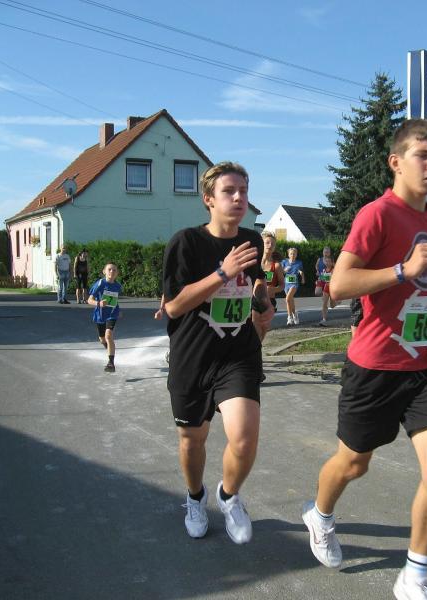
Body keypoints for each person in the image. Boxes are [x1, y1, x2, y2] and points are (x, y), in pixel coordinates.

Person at [301, 119, 427, 600]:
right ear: (396, 162)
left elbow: (422, 274)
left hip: (426, 364)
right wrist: (402, 270)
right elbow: (340, 284)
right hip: (375, 366)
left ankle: (415, 575)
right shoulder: (377, 215)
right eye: (422, 155)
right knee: (353, 464)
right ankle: (319, 515)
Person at [162, 161, 273, 544]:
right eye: (229, 191)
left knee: (244, 437)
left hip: (237, 354)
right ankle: (195, 498)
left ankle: (229, 495)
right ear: (209, 199)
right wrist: (222, 273)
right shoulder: (186, 243)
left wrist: (262, 303)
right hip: (192, 358)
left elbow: (256, 283)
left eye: (244, 191)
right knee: (192, 440)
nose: (239, 198)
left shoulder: (253, 241)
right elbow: (174, 306)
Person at [87, 263, 122, 373]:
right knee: (102, 339)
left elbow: (114, 300)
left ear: (117, 273)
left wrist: (118, 310)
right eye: (109, 269)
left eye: (114, 270)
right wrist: (99, 303)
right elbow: (89, 300)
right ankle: (110, 350)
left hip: (112, 314)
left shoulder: (118, 286)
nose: (112, 271)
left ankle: (111, 363)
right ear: (104, 271)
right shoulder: (100, 284)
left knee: (108, 335)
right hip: (100, 314)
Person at [260, 232, 284, 320]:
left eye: (272, 244)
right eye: (267, 242)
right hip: (253, 299)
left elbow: (282, 286)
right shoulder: (255, 262)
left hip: (269, 300)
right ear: (262, 244)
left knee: (263, 326)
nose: (270, 245)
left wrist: (273, 289)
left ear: (274, 247)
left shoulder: (276, 265)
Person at [281, 247, 305, 325]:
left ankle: (289, 318)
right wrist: (284, 270)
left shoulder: (299, 263)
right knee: (290, 300)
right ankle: (295, 315)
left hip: (294, 283)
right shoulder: (284, 262)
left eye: (294, 254)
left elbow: (301, 271)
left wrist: (302, 276)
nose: (292, 255)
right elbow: (280, 272)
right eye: (291, 254)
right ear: (288, 255)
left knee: (287, 299)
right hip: (286, 283)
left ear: (296, 255)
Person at [318, 255, 335, 326]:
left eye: (329, 261)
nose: (327, 263)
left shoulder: (334, 269)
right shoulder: (324, 270)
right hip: (326, 287)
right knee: (324, 303)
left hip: (333, 288)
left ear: (332, 263)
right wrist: (319, 279)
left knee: (332, 305)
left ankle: (336, 301)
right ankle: (324, 319)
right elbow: (322, 278)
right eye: (326, 261)